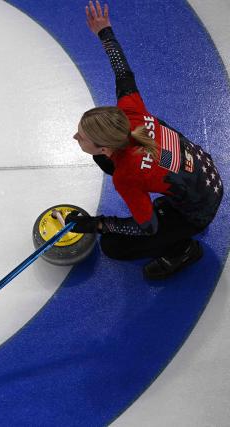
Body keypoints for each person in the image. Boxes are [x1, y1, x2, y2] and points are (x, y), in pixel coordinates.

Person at [66, 1, 223, 280]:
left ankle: (184, 250)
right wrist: (105, 32)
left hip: (199, 209)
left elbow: (145, 228)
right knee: (110, 166)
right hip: (204, 175)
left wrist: (98, 224)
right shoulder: (131, 111)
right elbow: (123, 73)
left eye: (82, 137)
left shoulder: (127, 175)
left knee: (113, 247)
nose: (75, 136)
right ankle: (175, 216)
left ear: (106, 146)